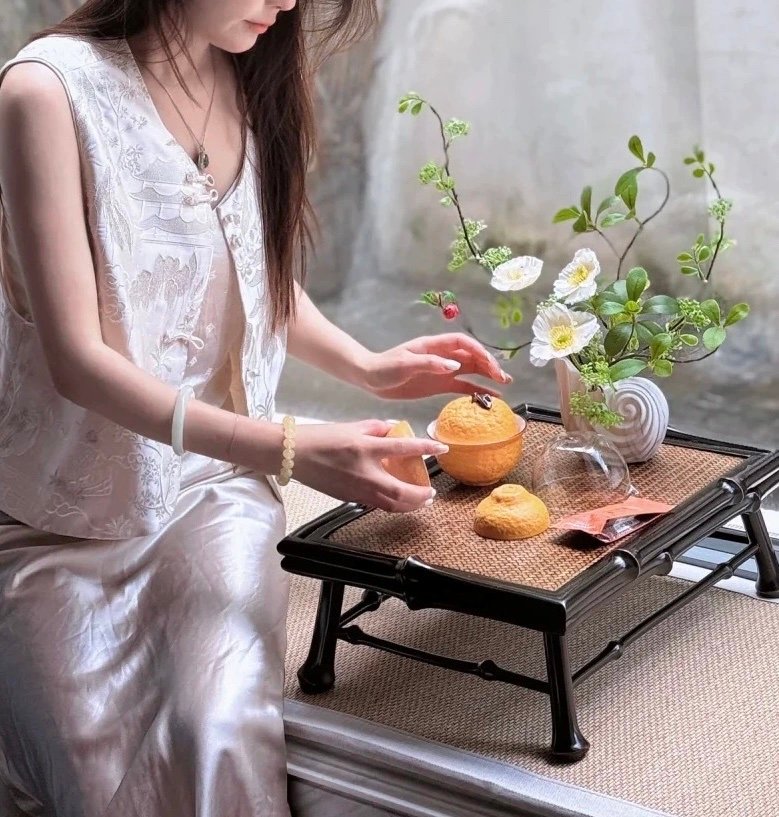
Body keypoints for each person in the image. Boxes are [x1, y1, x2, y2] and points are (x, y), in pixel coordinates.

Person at [0, 1, 511, 814]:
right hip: (59, 513)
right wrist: (284, 447)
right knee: (82, 762)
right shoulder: (47, 92)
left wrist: (367, 366)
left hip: (211, 488)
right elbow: (77, 361)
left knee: (217, 726)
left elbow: (245, 265)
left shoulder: (246, 69)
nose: (286, 4)